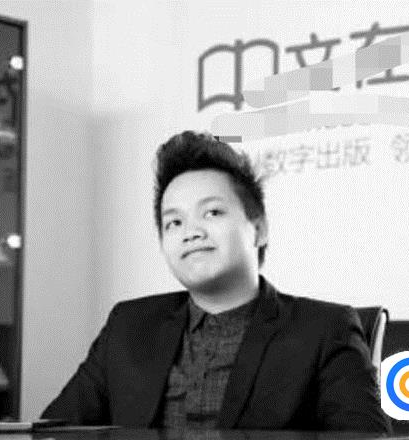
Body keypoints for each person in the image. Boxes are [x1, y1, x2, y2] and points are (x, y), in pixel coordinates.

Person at [42, 131, 390, 432]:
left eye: (212, 212)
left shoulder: (325, 330)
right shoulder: (129, 326)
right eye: (174, 222)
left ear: (259, 229)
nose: (191, 232)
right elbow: (53, 431)